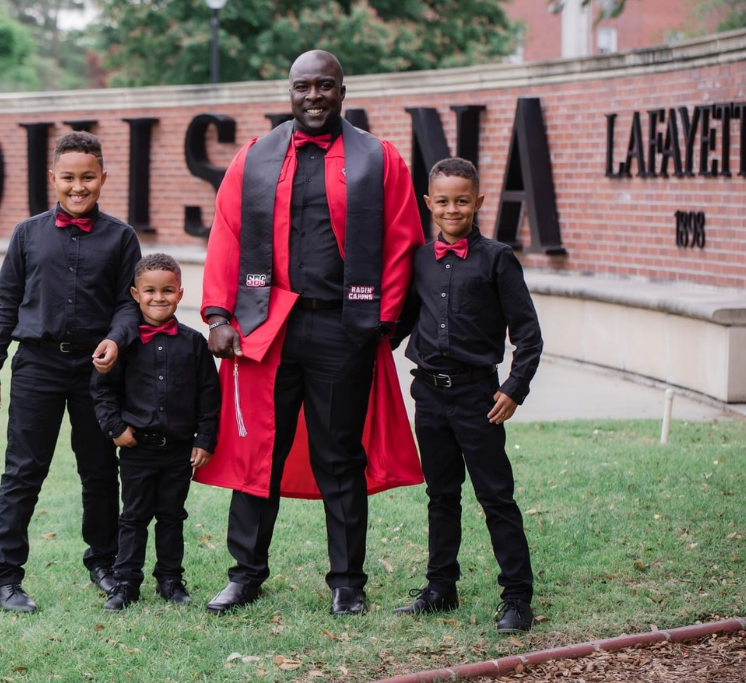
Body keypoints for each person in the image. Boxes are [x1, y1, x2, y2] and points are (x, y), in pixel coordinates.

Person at [195, 49, 424, 616]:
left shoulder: (379, 159)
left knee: (340, 454)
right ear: (289, 92)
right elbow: (226, 233)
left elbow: (402, 242)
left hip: (343, 326)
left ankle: (347, 582)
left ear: (343, 91)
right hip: (265, 325)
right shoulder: (255, 157)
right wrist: (220, 314)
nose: (314, 96)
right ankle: (245, 574)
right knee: (258, 456)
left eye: (325, 86)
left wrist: (382, 323)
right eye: (303, 87)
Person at [0, 131, 142, 613]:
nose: (78, 186)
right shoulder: (28, 234)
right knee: (23, 472)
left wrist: (115, 338)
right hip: (38, 366)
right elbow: (5, 302)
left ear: (103, 179)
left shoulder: (120, 237)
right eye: (68, 178)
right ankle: (6, 576)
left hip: (97, 370)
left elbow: (128, 306)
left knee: (98, 471)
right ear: (53, 179)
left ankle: (104, 563)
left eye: (87, 177)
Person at [392, 157, 543, 634]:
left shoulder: (497, 259)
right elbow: (398, 325)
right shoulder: (419, 259)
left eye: (462, 201)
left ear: (478, 202)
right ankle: (441, 588)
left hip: (479, 398)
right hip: (429, 398)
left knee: (496, 497)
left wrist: (513, 389)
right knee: (441, 496)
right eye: (443, 201)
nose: (452, 209)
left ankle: (518, 597)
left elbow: (529, 335)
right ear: (428, 204)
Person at [90, 253, 221, 611]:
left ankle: (170, 580)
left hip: (178, 449)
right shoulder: (122, 344)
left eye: (167, 290)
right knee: (132, 517)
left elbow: (209, 395)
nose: (158, 298)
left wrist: (205, 439)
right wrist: (115, 428)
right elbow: (102, 390)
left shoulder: (195, 344)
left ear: (180, 293)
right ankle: (126, 583)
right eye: (149, 291)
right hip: (137, 448)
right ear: (135, 293)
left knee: (172, 516)